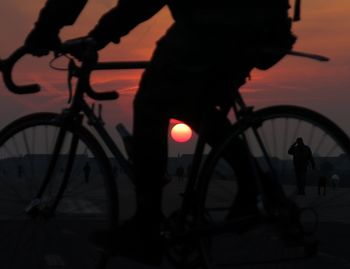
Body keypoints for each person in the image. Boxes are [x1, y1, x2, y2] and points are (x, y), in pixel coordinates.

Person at [24, 0, 296, 265]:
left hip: (220, 23)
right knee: (188, 101)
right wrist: (97, 34)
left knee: (151, 101)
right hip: (261, 22)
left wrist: (54, 31)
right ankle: (258, 186)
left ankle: (146, 225)